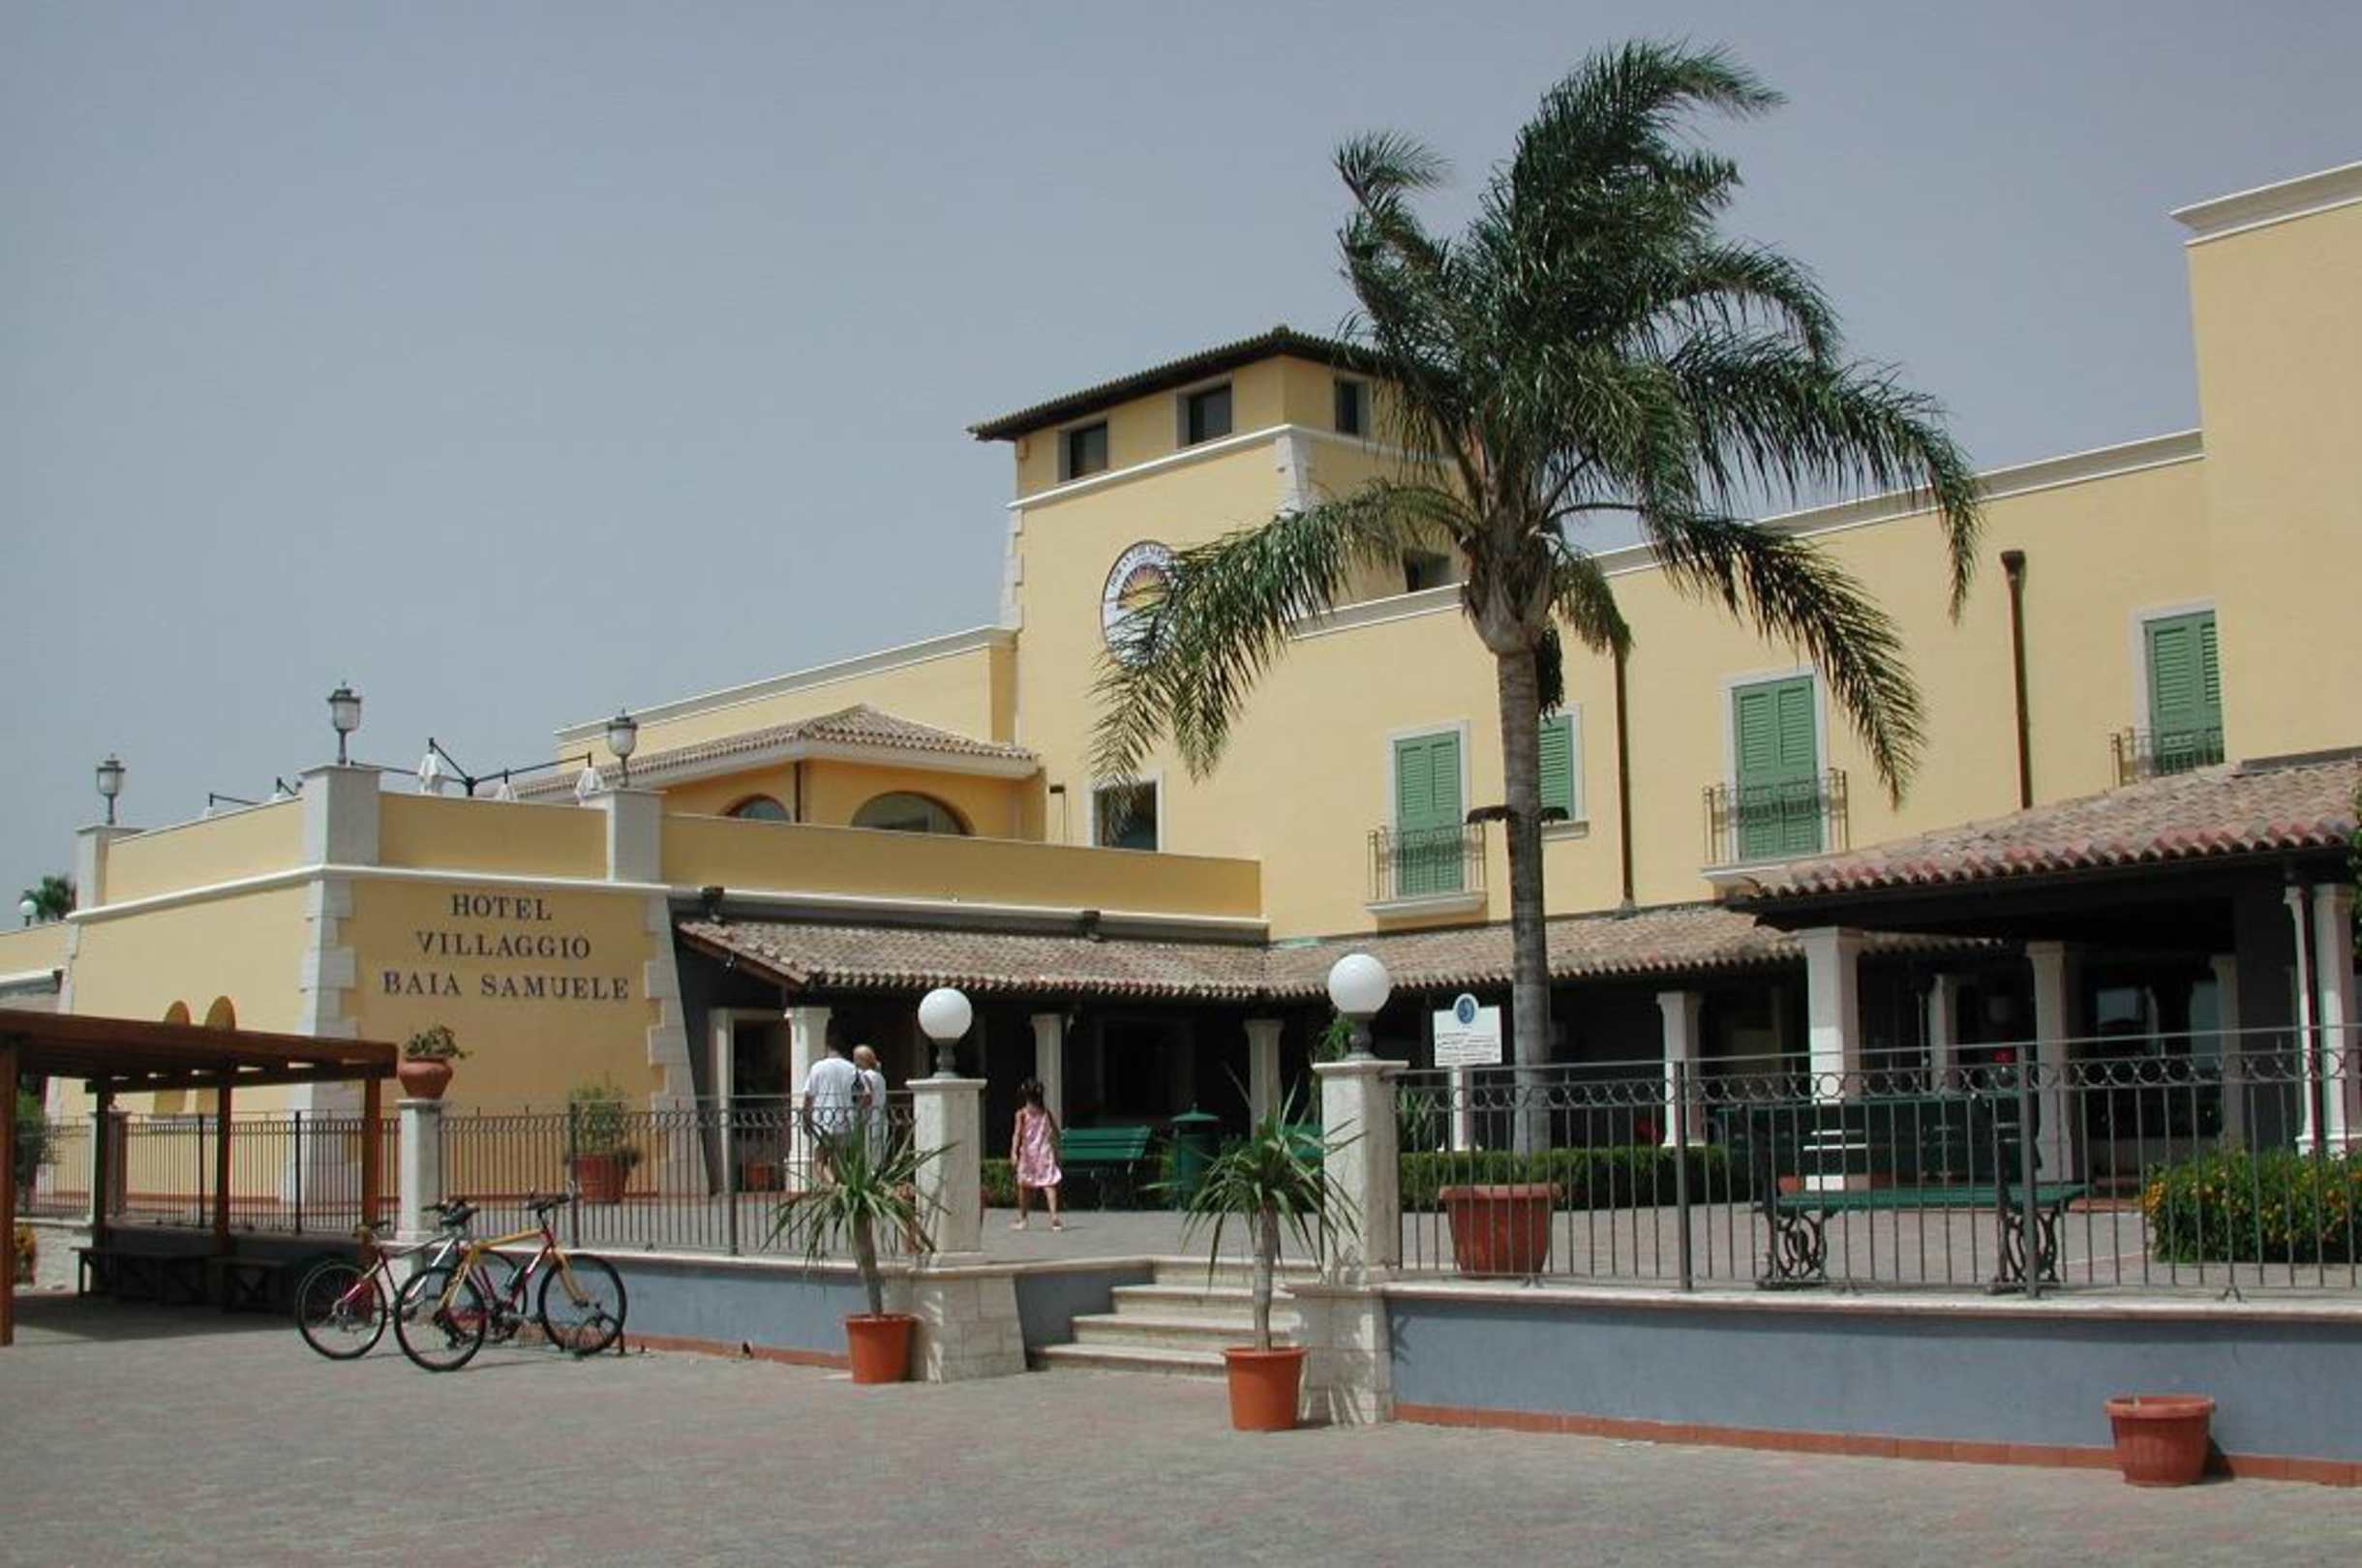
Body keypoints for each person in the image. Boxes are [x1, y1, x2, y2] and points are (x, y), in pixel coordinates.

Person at [801, 1037, 864, 1184]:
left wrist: (805, 1116)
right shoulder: (852, 1069)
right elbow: (863, 1094)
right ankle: (839, 1190)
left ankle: (835, 1186)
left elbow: (809, 1096)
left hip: (823, 1120)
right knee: (838, 1160)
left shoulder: (818, 1067)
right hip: (845, 1120)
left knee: (819, 1160)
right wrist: (856, 1111)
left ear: (828, 1048)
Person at [1009, 1078, 1063, 1231]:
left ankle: (1023, 1219)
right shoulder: (1045, 1113)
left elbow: (1017, 1134)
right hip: (1044, 1153)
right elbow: (1056, 1132)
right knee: (1049, 1184)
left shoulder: (1021, 1114)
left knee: (1024, 1186)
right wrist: (1055, 1144)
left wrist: (1013, 1152)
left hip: (1028, 1154)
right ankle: (1054, 1216)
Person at [851, 1044, 892, 1150]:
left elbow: (867, 1095)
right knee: (878, 1153)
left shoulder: (865, 1076)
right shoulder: (879, 1076)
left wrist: (857, 1110)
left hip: (870, 1119)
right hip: (881, 1117)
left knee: (869, 1152)